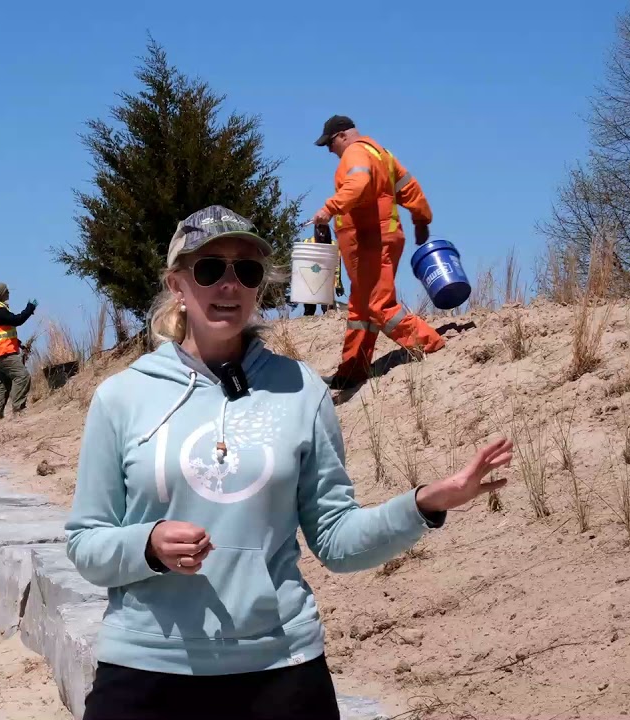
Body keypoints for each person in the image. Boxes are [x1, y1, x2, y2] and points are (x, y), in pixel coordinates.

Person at [65, 204, 514, 720]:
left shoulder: (301, 389)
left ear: (260, 287)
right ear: (177, 285)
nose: (228, 285)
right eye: (209, 269)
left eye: (246, 270)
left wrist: (423, 505)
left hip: (280, 668)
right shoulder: (121, 397)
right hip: (146, 667)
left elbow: (337, 541)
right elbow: (86, 544)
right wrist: (146, 543)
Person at [309, 115, 446, 389]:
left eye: (329, 144)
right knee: (361, 309)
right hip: (378, 240)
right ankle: (352, 371)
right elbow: (410, 188)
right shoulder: (382, 154)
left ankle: (430, 344)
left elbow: (357, 184)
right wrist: (421, 220)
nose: (330, 151)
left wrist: (329, 208)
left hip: (371, 242)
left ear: (341, 136)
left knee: (378, 306)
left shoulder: (354, 152)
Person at [0, 282, 36, 420]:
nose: (9, 293)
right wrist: (30, 308)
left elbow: (3, 332)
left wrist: (19, 344)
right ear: (1, 294)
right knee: (22, 376)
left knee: (1, 383)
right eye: (7, 291)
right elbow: (16, 320)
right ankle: (18, 410)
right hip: (3, 352)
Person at [300, 220, 345, 317]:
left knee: (328, 309)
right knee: (309, 310)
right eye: (319, 227)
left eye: (324, 227)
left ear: (328, 229)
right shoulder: (307, 243)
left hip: (326, 282)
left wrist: (338, 285)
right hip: (310, 281)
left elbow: (336, 267)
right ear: (315, 229)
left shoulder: (334, 245)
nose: (322, 230)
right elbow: (301, 264)